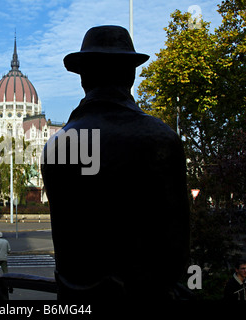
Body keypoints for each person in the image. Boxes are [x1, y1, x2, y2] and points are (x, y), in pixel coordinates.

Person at [41, 26, 190, 300]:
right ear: (130, 74)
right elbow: (176, 251)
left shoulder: (57, 145)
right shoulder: (159, 138)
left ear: (83, 77)